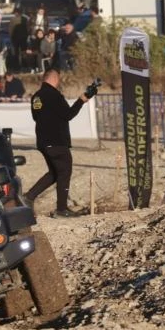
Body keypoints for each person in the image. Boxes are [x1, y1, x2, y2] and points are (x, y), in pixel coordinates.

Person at [23, 68, 98, 218]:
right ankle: (61, 209)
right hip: (57, 141)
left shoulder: (36, 97)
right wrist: (81, 100)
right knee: (64, 172)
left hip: (44, 142)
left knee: (54, 173)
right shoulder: (55, 95)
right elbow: (68, 115)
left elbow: (36, 117)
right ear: (55, 78)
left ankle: (29, 197)